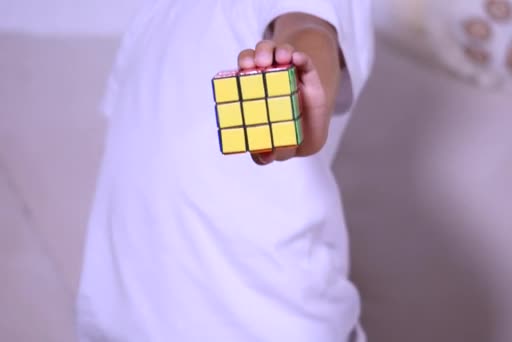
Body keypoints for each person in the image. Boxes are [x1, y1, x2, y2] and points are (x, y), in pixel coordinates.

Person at [76, 0, 374, 341]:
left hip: (261, 319)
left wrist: (295, 85)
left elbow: (308, 28)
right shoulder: (157, 13)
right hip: (129, 320)